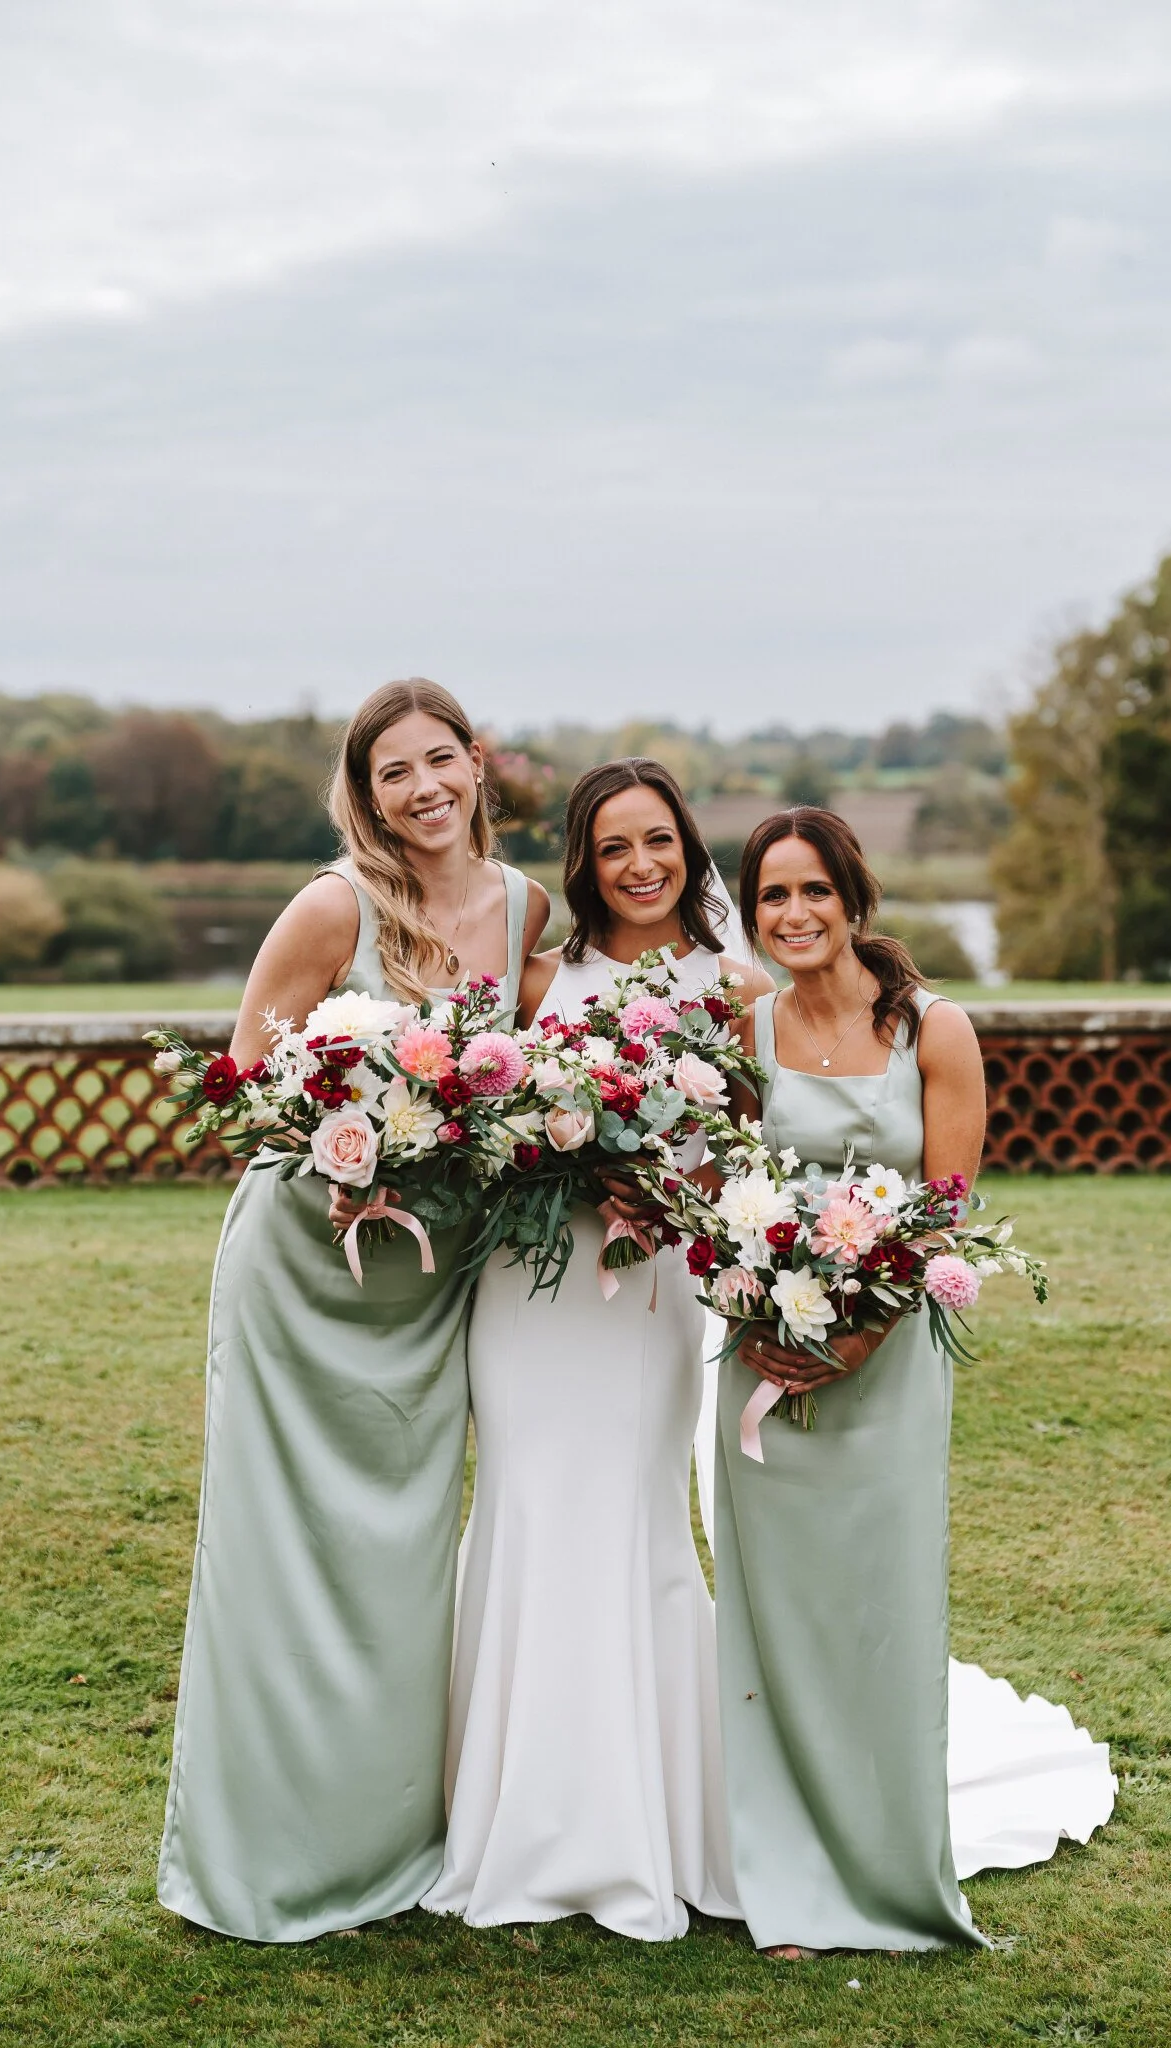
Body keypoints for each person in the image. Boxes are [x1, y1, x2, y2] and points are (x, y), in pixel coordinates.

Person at [156, 679, 550, 1942]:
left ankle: (392, 1834)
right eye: (394, 772)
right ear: (364, 790)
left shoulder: (531, 909)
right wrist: (355, 1147)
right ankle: (266, 1848)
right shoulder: (336, 904)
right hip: (306, 1267)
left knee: (400, 1556)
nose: (423, 787)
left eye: (441, 759)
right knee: (281, 1556)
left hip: (432, 1285)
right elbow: (246, 1077)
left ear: (477, 767)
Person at [713, 806, 1113, 1959]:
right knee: (775, 1618)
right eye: (771, 896)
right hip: (761, 1359)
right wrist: (765, 1314)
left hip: (887, 1363)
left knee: (879, 1608)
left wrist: (862, 1336)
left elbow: (945, 1215)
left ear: (855, 898)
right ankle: (786, 1875)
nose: (793, 914)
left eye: (813, 892)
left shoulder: (937, 1029)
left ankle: (885, 1862)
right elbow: (726, 1200)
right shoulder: (747, 1035)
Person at [420, 758, 774, 1940]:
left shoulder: (734, 983)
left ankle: (651, 1823)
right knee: (523, 1508)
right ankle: (510, 1817)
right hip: (530, 1292)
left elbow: (749, 1152)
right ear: (584, 859)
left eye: (658, 840)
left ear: (688, 846)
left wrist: (659, 1176)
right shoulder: (536, 977)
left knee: (633, 1516)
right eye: (613, 846)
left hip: (647, 1290)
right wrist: (555, 1149)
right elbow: (485, 1128)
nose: (639, 865)